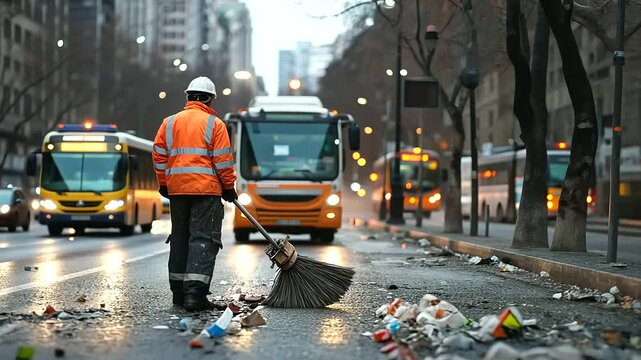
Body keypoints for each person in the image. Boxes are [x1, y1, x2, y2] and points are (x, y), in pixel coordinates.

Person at [152, 76, 238, 311]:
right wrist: (229, 187)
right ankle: (195, 296)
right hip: (206, 192)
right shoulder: (215, 124)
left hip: (177, 191)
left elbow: (159, 155)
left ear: (188, 97)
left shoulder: (169, 123)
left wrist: (164, 183)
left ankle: (178, 295)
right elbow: (223, 161)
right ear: (210, 99)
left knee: (179, 239)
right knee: (203, 239)